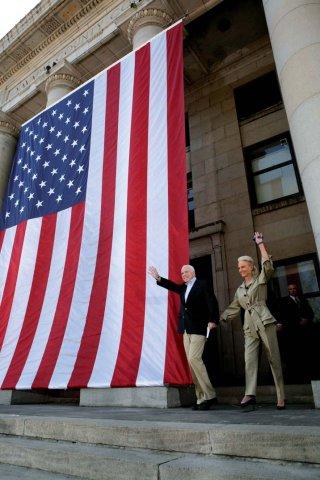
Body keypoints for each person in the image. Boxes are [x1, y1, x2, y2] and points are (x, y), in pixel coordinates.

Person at [221, 232, 285, 409]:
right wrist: (218, 319)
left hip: (264, 321)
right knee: (249, 360)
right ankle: (249, 394)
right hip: (249, 327)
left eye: (243, 267)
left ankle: (281, 396)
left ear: (250, 267)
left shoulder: (261, 279)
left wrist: (260, 243)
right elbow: (233, 308)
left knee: (274, 358)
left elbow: (268, 266)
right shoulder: (240, 290)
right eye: (239, 267)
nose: (240, 270)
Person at [148, 264, 219, 410]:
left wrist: (213, 320)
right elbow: (173, 286)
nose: (184, 274)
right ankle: (200, 398)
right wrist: (159, 278)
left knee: (194, 358)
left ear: (193, 272)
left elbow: (212, 301)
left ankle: (210, 395)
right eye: (182, 273)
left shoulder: (202, 284)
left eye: (186, 271)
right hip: (186, 329)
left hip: (200, 327)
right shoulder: (184, 288)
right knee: (191, 364)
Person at [277, 284, 314, 382]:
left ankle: (308, 375)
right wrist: (297, 321)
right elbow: (285, 315)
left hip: (305, 331)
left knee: (306, 353)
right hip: (293, 332)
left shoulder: (303, 300)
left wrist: (306, 319)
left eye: (294, 288)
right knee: (296, 354)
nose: (292, 290)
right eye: (290, 289)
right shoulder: (285, 302)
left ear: (296, 289)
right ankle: (297, 376)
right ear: (288, 291)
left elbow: (310, 313)